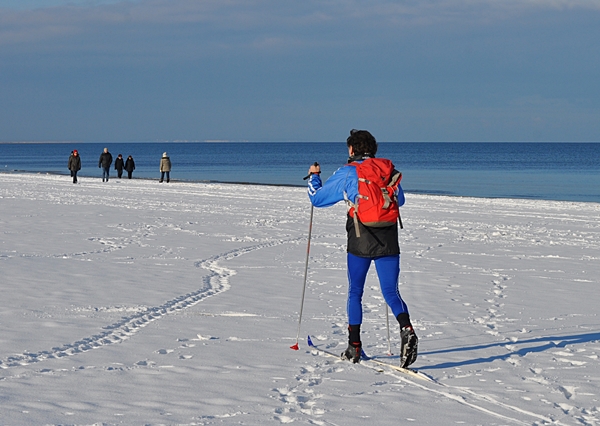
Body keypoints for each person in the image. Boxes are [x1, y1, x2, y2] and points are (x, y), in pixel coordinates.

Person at [306, 129, 418, 367]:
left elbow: (317, 199)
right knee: (391, 291)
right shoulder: (388, 170)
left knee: (355, 291)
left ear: (351, 150)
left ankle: (354, 347)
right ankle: (406, 327)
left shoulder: (348, 172)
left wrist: (314, 176)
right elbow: (402, 200)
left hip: (360, 235)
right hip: (388, 234)